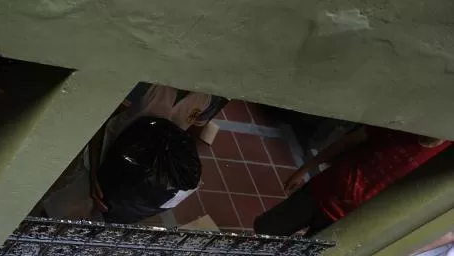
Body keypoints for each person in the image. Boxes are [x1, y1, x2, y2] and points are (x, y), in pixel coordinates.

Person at [253, 126, 450, 237]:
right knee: (266, 230)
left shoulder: (444, 157)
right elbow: (348, 142)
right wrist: (305, 169)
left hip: (348, 221)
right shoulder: (400, 124)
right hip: (323, 192)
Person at [87, 83, 227, 212]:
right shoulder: (149, 84)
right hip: (109, 148)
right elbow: (101, 120)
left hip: (146, 167)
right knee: (90, 194)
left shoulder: (209, 97)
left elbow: (190, 138)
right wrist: (94, 173)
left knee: (111, 205)